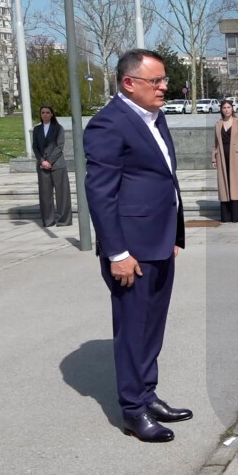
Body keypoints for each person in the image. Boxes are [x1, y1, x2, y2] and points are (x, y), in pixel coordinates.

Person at [84, 49, 190, 443]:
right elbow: (101, 195)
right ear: (129, 83)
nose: (165, 87)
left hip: (159, 241)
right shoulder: (108, 125)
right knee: (132, 330)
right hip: (130, 251)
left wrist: (172, 234)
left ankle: (148, 394)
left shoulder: (153, 118)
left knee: (152, 328)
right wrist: (118, 254)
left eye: (163, 80)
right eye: (156, 81)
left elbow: (161, 179)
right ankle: (132, 411)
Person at [32, 105, 72, 227]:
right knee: (45, 194)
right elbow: (35, 147)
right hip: (43, 165)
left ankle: (64, 220)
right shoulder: (37, 129)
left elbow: (59, 146)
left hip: (57, 165)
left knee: (62, 193)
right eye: (42, 112)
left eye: (47, 112)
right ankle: (48, 220)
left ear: (52, 114)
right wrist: (42, 161)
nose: (45, 114)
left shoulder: (58, 128)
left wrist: (49, 161)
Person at [213, 99, 238, 223]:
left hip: (235, 157)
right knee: (224, 184)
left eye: (228, 107)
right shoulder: (218, 124)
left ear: (232, 108)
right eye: (224, 108)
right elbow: (216, 143)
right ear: (221, 110)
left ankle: (236, 215)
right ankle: (226, 215)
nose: (227, 110)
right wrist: (214, 158)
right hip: (222, 156)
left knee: (235, 184)